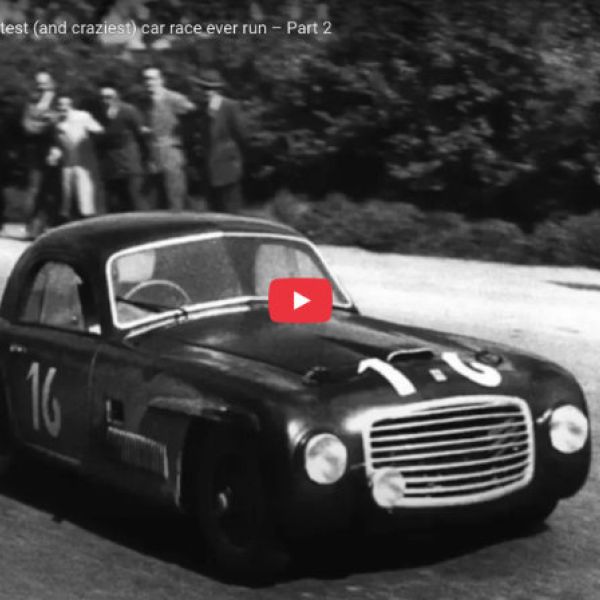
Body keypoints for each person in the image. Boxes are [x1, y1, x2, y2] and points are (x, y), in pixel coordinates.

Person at [141, 67, 196, 210]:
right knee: (158, 199)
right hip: (154, 154)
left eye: (152, 79)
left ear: (161, 80)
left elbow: (193, 112)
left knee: (175, 195)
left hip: (171, 151)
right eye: (146, 79)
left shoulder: (173, 98)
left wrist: (181, 136)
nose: (148, 82)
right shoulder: (146, 102)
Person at [197, 69, 248, 214]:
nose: (207, 92)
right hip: (209, 171)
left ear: (218, 90)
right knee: (214, 212)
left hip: (228, 168)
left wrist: (233, 157)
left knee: (231, 212)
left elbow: (242, 135)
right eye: (204, 88)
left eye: (210, 89)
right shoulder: (203, 109)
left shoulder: (230, 107)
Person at [49, 96, 104, 221]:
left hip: (84, 162)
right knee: (67, 193)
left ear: (71, 105)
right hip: (67, 163)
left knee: (84, 192)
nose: (62, 108)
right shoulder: (56, 122)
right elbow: (57, 144)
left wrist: (87, 142)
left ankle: (87, 217)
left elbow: (98, 131)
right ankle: (68, 218)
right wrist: (54, 155)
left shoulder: (82, 116)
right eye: (59, 105)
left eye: (65, 105)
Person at [21, 71, 61, 236]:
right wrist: (47, 121)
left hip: (61, 151)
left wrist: (47, 119)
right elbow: (28, 127)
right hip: (38, 152)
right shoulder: (31, 103)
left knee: (53, 191)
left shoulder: (59, 102)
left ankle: (46, 226)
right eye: (38, 83)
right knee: (35, 189)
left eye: (44, 82)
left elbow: (65, 122)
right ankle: (31, 227)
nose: (41, 86)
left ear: (52, 83)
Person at [98, 86, 149, 213]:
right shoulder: (100, 115)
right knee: (116, 201)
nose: (105, 100)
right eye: (102, 98)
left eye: (108, 97)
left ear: (117, 97)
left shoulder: (128, 110)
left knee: (137, 197)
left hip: (130, 160)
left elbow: (141, 133)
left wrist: (147, 157)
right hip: (111, 164)